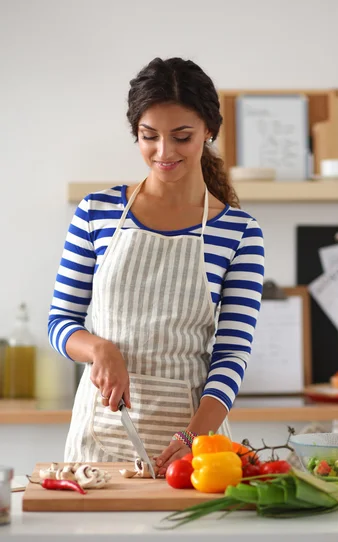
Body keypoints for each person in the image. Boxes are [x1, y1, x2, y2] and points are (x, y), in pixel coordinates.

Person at [48, 57, 265, 476]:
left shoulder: (240, 233)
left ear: (209, 131)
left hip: (195, 442)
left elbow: (231, 356)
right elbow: (60, 321)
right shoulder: (97, 212)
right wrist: (99, 349)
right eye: (149, 136)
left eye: (181, 136)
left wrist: (191, 438)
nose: (164, 152)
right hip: (98, 440)